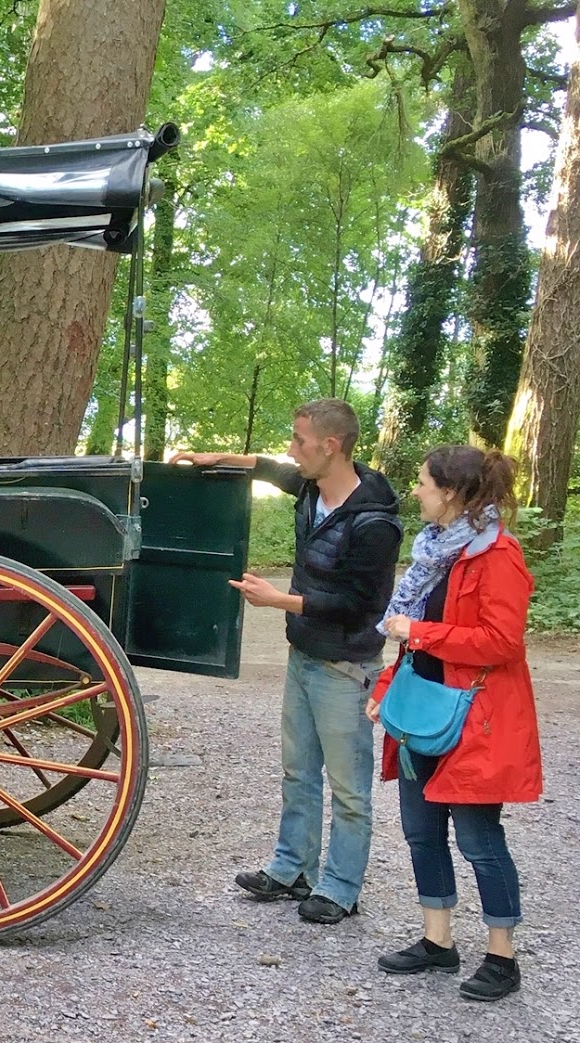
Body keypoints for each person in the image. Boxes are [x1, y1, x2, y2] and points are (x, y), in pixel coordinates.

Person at [172, 398, 401, 924]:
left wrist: (279, 600)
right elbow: (270, 468)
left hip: (346, 667)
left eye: (300, 441)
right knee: (298, 773)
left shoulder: (374, 525)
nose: (293, 451)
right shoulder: (310, 486)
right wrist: (216, 458)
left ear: (331, 446)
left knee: (348, 788)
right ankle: (293, 868)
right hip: (304, 656)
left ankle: (340, 888)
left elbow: (362, 606)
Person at [367, 445, 541, 1002]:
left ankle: (502, 957)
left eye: (423, 482)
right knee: (421, 831)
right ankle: (437, 941)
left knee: (478, 839)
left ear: (451, 492)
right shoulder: (433, 552)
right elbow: (411, 636)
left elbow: (502, 642)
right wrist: (387, 688)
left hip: (476, 719)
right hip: (423, 709)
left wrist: (419, 634)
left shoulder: (498, 554)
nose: (415, 490)